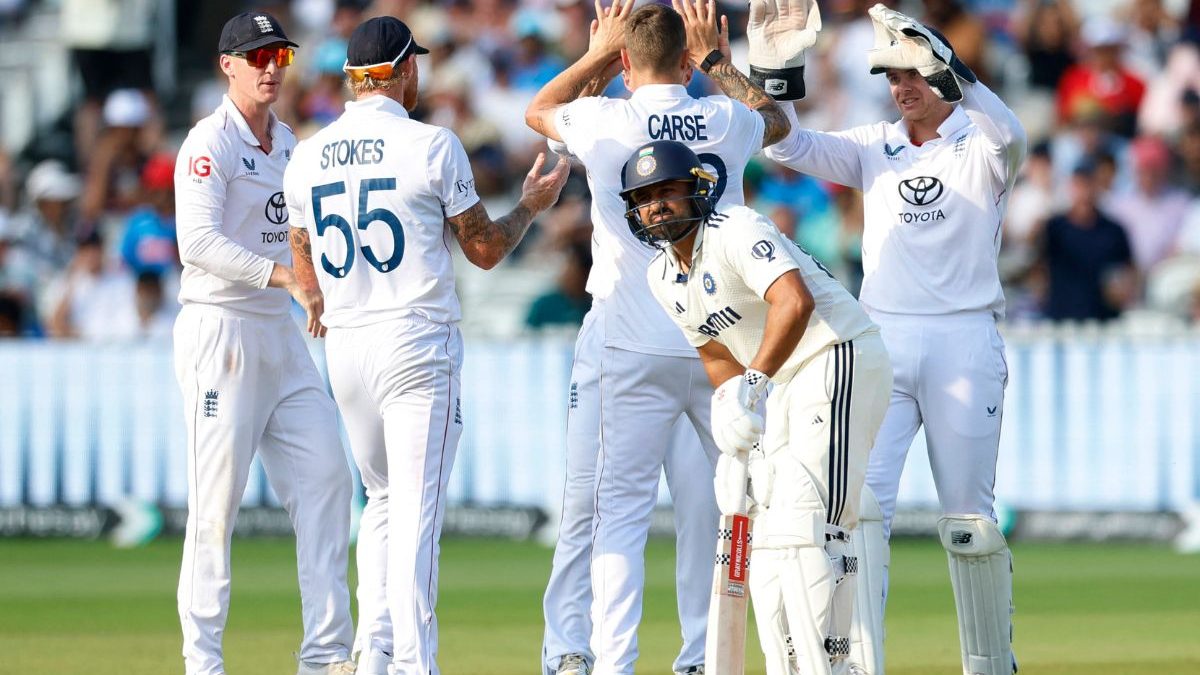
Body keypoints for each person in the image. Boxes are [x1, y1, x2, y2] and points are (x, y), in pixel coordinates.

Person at [282, 16, 569, 675]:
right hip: (414, 339)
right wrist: (528, 205)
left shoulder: (306, 153)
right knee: (414, 512)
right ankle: (414, 662)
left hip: (347, 345)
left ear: (354, 80)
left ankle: (374, 650)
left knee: (382, 502)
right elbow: (485, 249)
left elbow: (300, 242)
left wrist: (317, 300)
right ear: (406, 70)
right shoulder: (432, 145)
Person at [523, 0, 794, 672]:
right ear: (685, 57)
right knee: (721, 506)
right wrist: (718, 64)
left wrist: (594, 54)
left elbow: (538, 110)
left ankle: (608, 659)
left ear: (622, 59)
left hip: (630, 339)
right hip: (719, 344)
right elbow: (780, 122)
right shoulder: (724, 115)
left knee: (614, 511)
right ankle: (705, 656)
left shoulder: (605, 117)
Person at [758, 3, 1027, 674]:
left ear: (940, 75)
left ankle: (989, 663)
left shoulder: (982, 140)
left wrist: (950, 66)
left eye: (913, 76)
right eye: (893, 78)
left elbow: (1012, 134)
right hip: (883, 340)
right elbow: (785, 145)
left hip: (964, 340)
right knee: (854, 512)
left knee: (971, 524)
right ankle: (853, 661)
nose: (902, 88)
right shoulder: (874, 145)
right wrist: (775, 73)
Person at [620, 139, 891, 675]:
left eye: (667, 191)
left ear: (698, 190)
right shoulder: (660, 275)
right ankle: (793, 663)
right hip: (778, 382)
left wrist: (754, 384)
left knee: (810, 522)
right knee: (769, 532)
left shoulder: (737, 229)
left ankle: (835, 665)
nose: (655, 205)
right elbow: (716, 351)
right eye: (643, 197)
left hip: (836, 355)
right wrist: (730, 408)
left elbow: (795, 301)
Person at [171, 12, 356, 675]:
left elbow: (301, 230)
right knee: (215, 506)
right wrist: (289, 275)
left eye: (279, 53)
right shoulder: (208, 142)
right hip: (221, 330)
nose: (271, 66)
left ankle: (327, 655)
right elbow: (196, 243)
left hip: (281, 330)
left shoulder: (289, 142)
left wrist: (322, 280)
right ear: (228, 65)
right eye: (257, 57)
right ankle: (204, 662)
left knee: (329, 479)